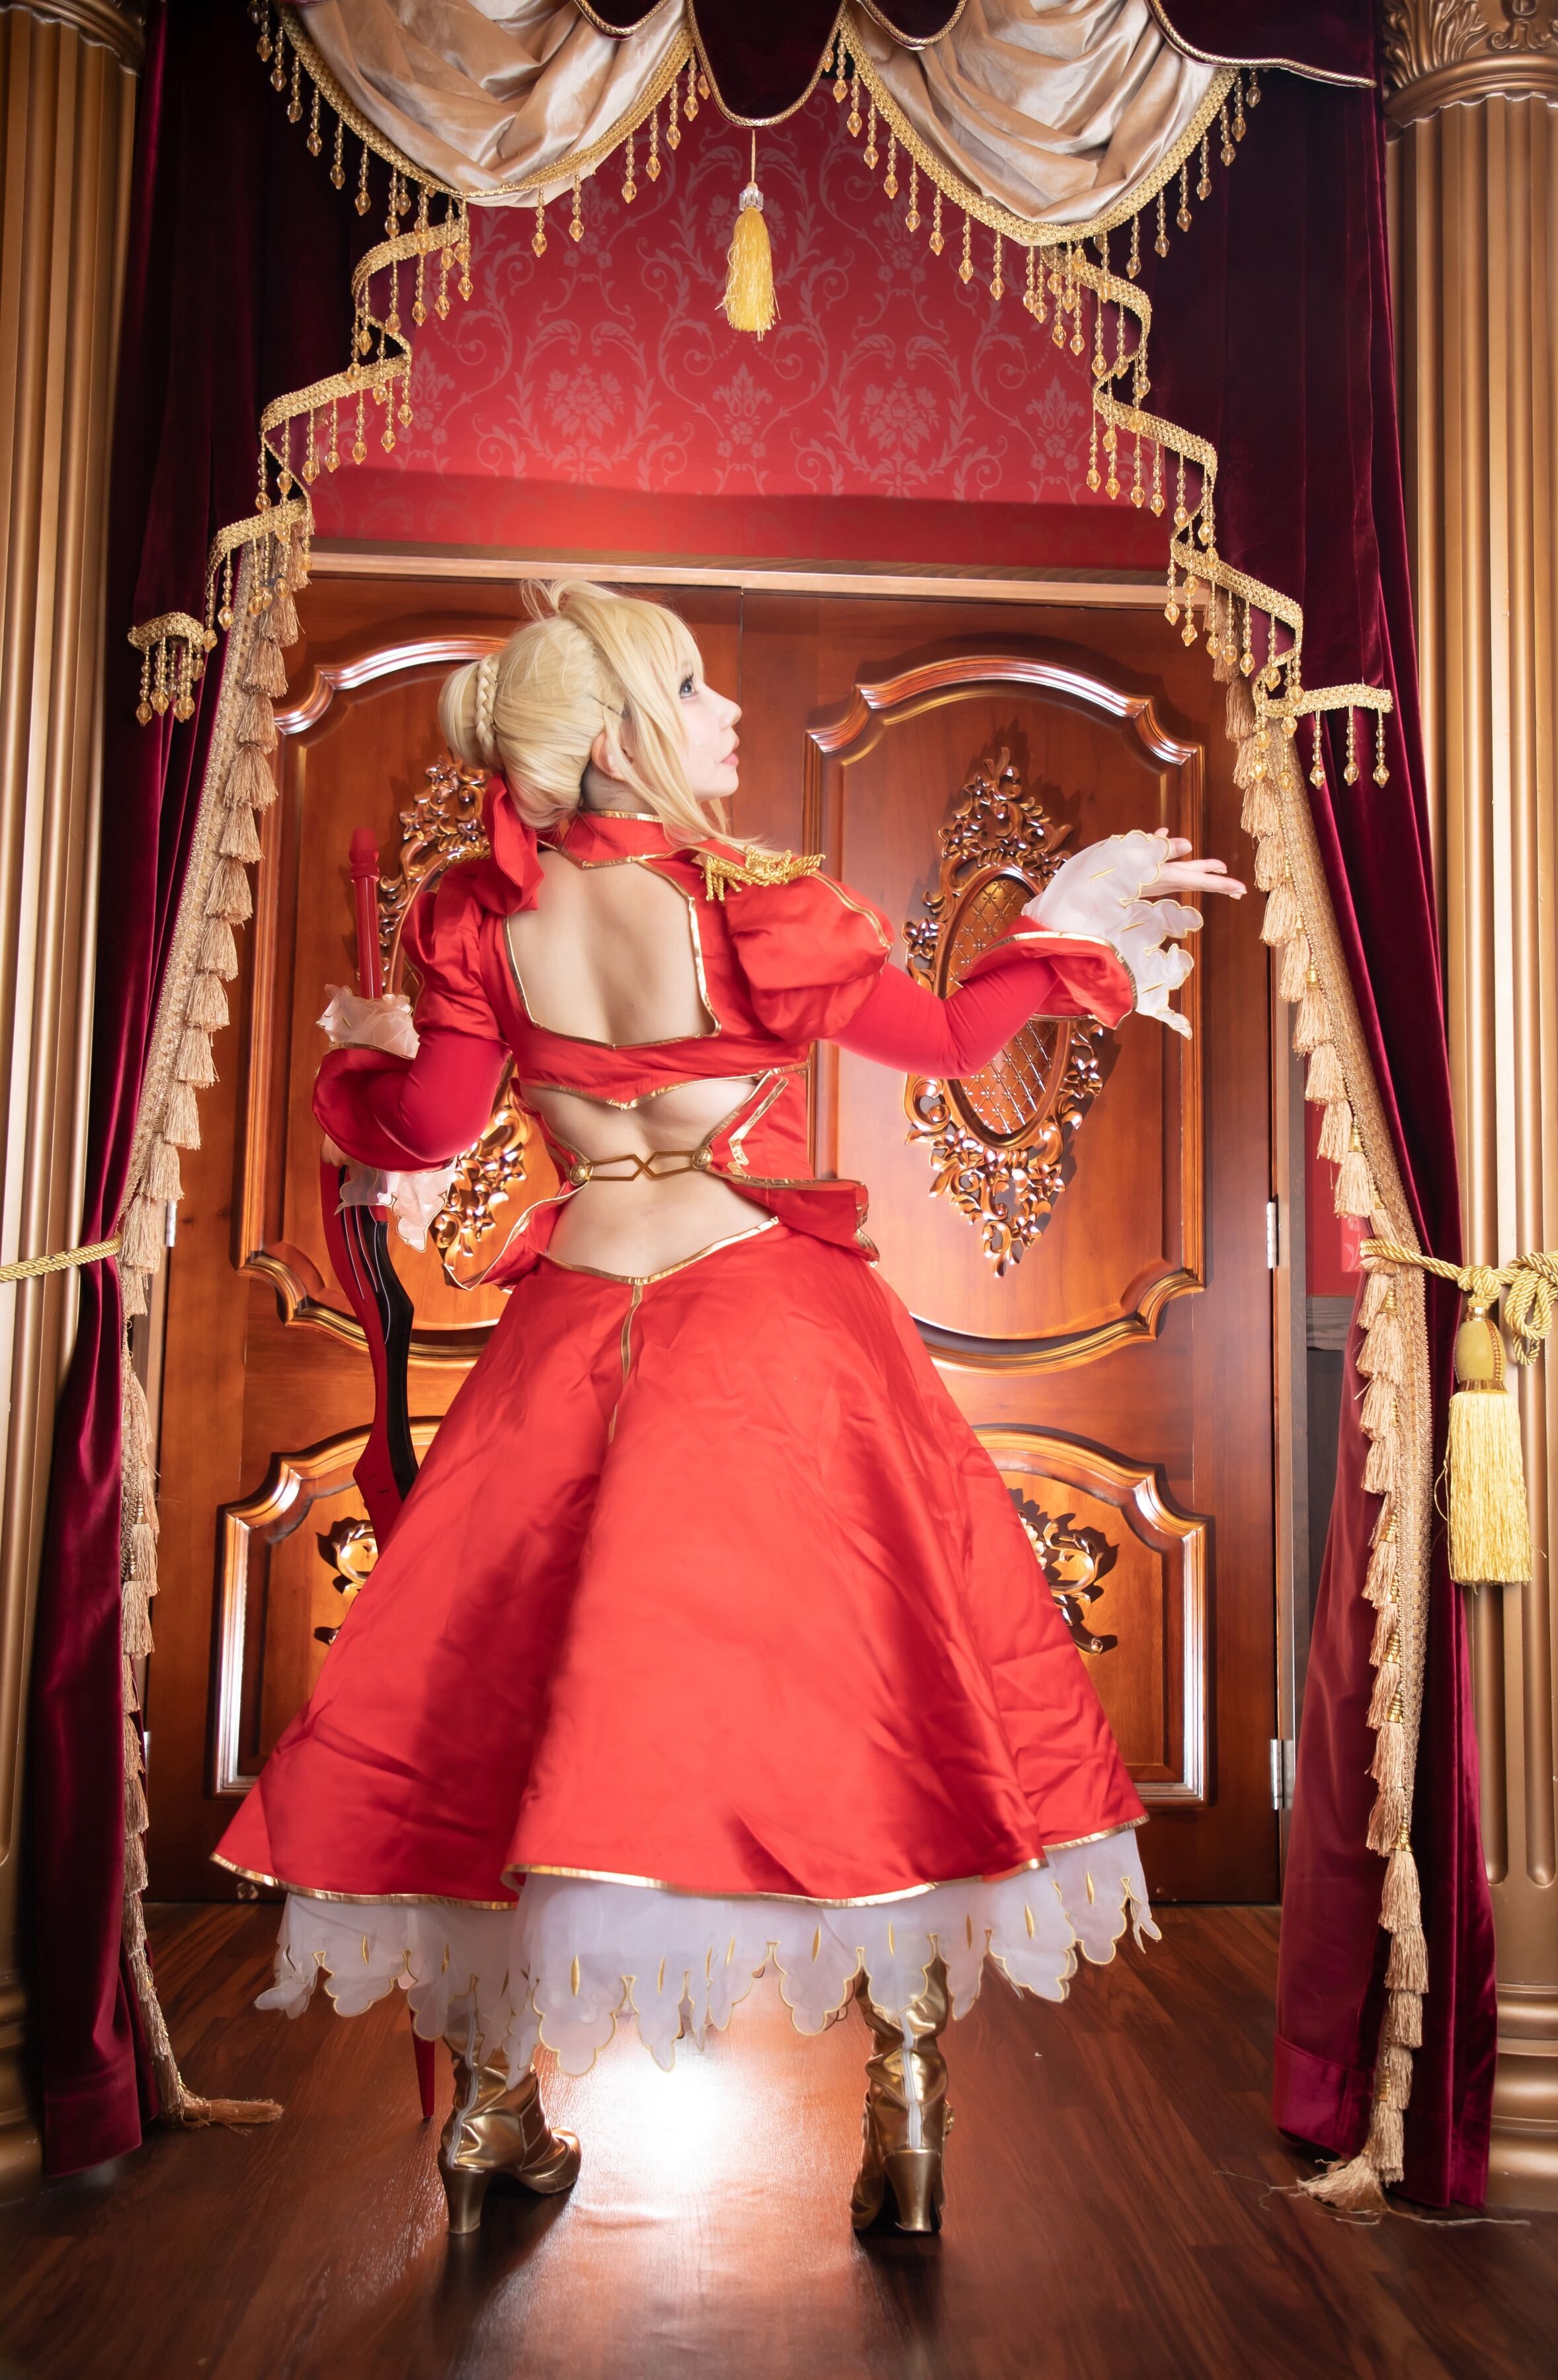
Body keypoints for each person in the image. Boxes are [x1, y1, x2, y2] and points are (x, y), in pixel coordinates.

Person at [214, 582, 1244, 2238]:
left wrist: (361, 1062)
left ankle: (494, 2108)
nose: (730, 714)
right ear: (626, 727)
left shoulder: (474, 917)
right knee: (879, 1686)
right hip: (772, 1335)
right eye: (695, 688)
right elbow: (950, 1040)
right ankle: (909, 2104)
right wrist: (1056, 944)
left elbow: (426, 1130)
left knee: (505, 1687)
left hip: (570, 1328)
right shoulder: (762, 905)